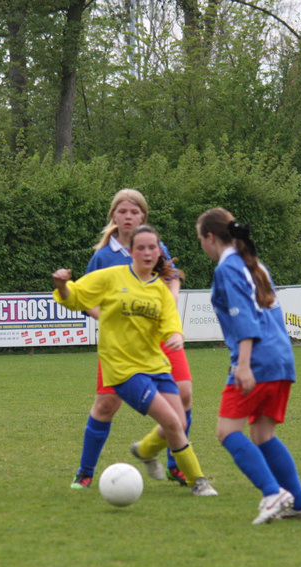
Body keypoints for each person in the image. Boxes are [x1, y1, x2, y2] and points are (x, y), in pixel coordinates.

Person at [52, 224, 217, 496]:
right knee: (171, 421)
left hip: (156, 365)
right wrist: (62, 286)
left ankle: (145, 451)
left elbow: (170, 323)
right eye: (141, 248)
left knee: (178, 420)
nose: (147, 253)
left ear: (159, 252)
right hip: (123, 369)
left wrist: (176, 336)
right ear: (131, 252)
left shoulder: (160, 289)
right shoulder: (111, 277)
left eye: (152, 247)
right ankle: (198, 482)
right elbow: (76, 297)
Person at [69, 189, 194, 489]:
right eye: (122, 211)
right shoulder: (103, 256)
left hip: (158, 337)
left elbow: (172, 276)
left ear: (143, 216)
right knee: (106, 404)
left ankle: (174, 465)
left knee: (184, 394)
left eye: (134, 212)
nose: (128, 217)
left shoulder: (153, 245)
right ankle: (85, 472)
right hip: (120, 345)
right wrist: (108, 316)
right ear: (113, 215)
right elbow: (84, 298)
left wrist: (170, 300)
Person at [195, 207, 301, 524]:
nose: (202, 246)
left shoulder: (227, 269)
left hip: (257, 360)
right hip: (281, 358)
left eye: (200, 240)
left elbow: (244, 319)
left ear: (210, 237)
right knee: (262, 434)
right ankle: (299, 504)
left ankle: (273, 494)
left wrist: (244, 365)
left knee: (226, 431)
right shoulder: (253, 264)